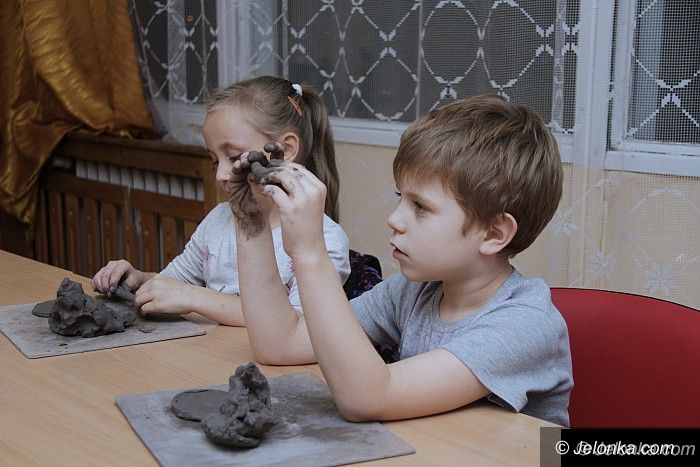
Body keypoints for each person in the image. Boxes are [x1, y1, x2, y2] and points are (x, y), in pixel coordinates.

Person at [233, 94, 573, 426]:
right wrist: (252, 218)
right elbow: (280, 344)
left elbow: (368, 398)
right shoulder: (413, 292)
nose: (394, 219)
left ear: (493, 234)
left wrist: (310, 252)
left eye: (420, 207)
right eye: (401, 198)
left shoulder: (524, 324)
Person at [91, 76, 350, 326]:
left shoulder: (324, 240)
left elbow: (300, 325)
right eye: (215, 161)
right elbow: (176, 283)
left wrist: (194, 298)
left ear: (287, 149)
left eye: (234, 156)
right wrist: (139, 281)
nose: (220, 175)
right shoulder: (218, 219)